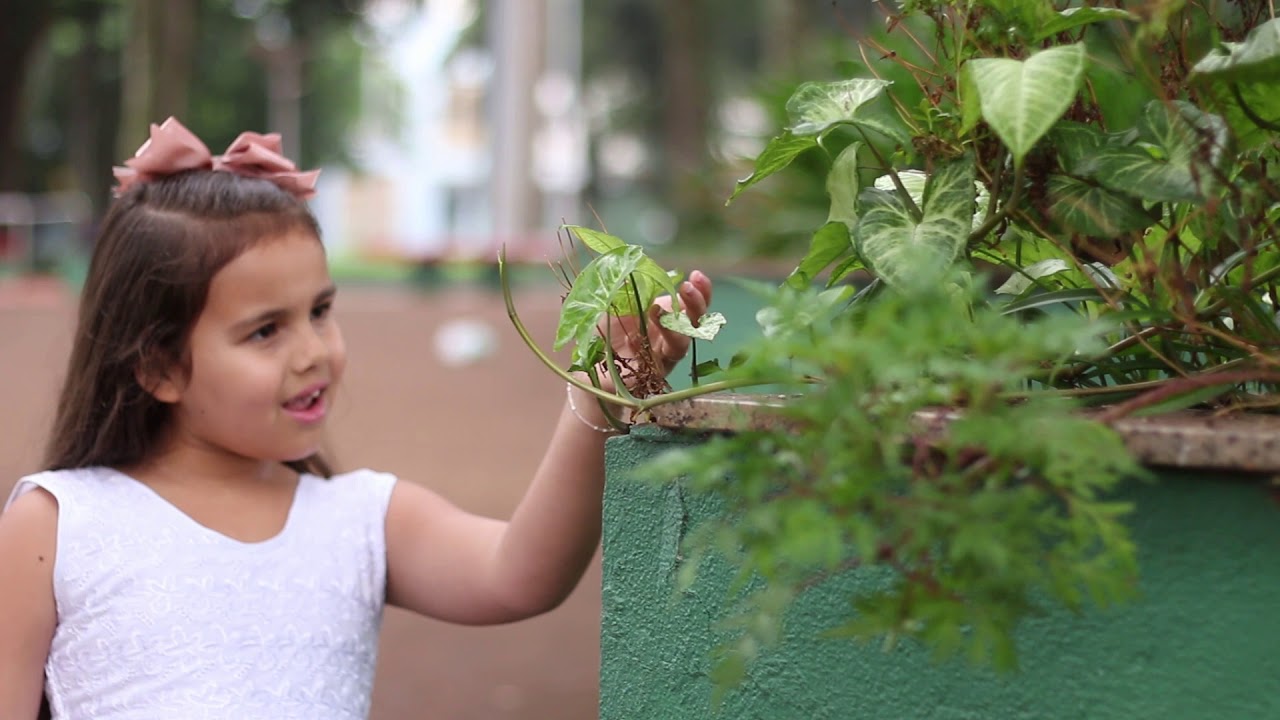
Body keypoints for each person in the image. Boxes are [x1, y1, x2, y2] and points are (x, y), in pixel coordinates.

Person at [0, 117, 712, 719]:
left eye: (319, 312)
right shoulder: (58, 524)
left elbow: (519, 574)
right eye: (264, 331)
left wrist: (599, 392)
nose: (314, 352)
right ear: (156, 365)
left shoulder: (362, 519)